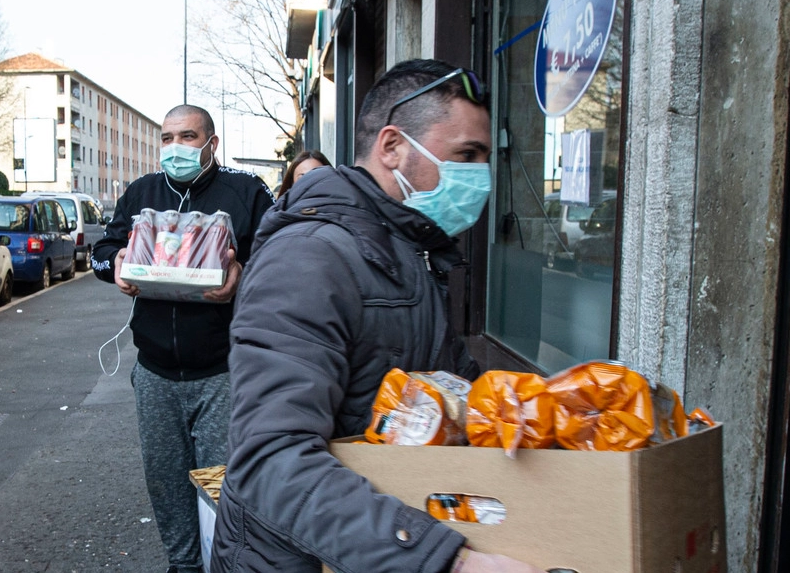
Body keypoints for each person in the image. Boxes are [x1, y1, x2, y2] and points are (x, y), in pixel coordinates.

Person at [210, 60, 541, 573]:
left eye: (483, 159)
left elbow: (448, 389)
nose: (480, 177)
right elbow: (269, 461)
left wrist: (536, 411)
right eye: (465, 156)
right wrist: (449, 563)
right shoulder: (309, 257)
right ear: (392, 148)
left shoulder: (408, 252)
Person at [92, 104, 275, 573]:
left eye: (187, 137)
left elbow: (283, 263)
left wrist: (241, 273)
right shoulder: (142, 193)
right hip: (154, 372)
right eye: (167, 138)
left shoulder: (246, 192)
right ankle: (184, 564)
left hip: (222, 371)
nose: (176, 147)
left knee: (224, 484)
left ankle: (227, 563)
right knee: (167, 483)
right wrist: (115, 265)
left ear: (212, 144)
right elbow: (103, 250)